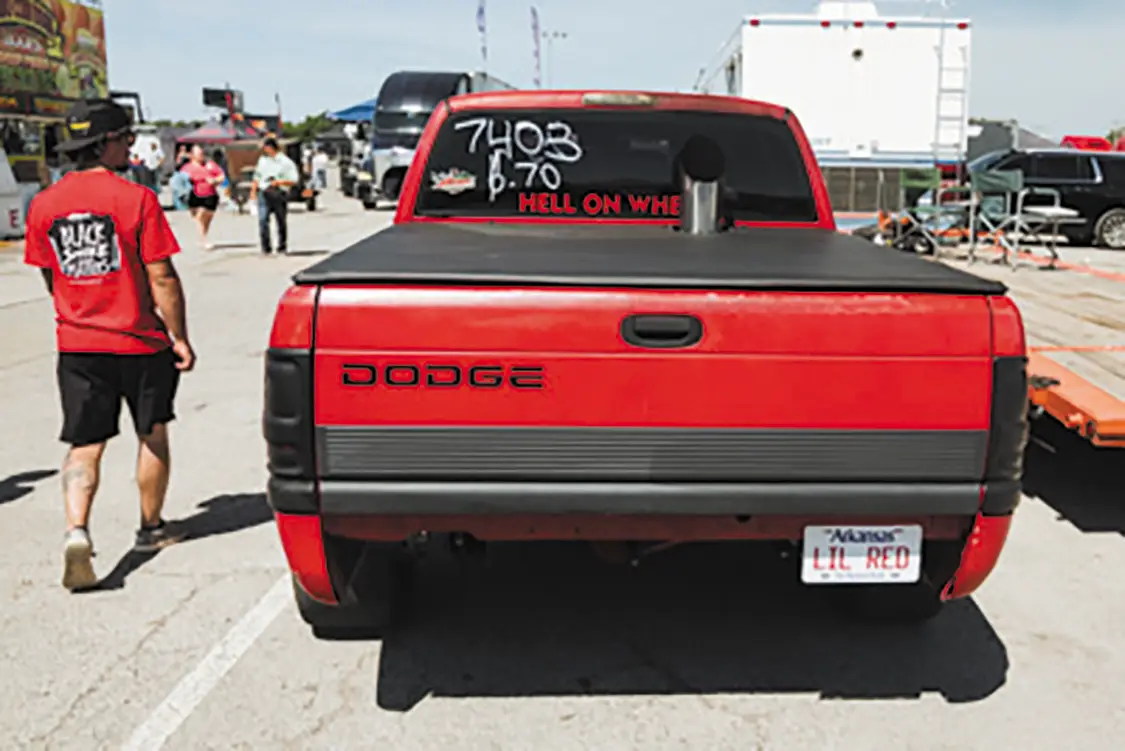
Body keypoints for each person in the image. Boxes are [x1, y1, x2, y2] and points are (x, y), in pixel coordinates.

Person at [22, 99, 196, 592]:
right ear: (104, 144)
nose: (130, 146)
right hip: (139, 342)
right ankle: (150, 528)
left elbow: (50, 274)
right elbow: (162, 276)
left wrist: (77, 309)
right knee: (152, 433)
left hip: (78, 345)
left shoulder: (44, 204)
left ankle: (76, 530)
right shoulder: (135, 198)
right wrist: (179, 336)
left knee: (85, 445)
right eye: (125, 138)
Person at [250, 137, 298, 255]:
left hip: (278, 192)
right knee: (263, 220)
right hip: (264, 191)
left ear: (271, 147)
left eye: (266, 148)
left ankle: (282, 245)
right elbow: (257, 176)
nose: (264, 150)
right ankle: (266, 247)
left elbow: (294, 179)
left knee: (280, 220)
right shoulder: (263, 160)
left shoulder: (285, 162)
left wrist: (279, 182)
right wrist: (253, 191)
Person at [179, 144, 225, 249]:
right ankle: (204, 240)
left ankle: (203, 237)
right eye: (199, 154)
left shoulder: (210, 165)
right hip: (195, 194)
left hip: (210, 195)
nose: (202, 156)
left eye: (202, 153)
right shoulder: (186, 168)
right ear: (192, 155)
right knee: (200, 216)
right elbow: (180, 182)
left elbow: (221, 176)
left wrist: (215, 181)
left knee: (207, 219)